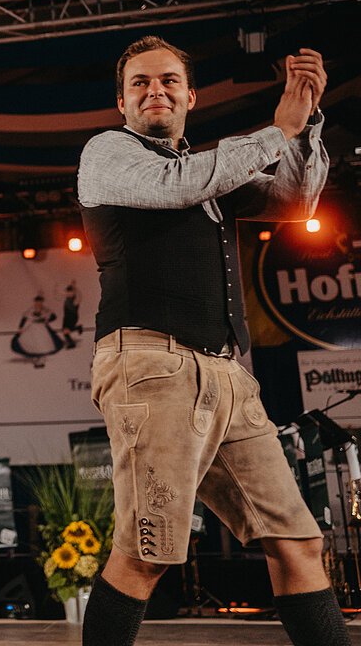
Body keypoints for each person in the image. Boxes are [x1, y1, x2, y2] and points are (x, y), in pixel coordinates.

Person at [77, 36, 344, 646]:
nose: (155, 91)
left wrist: (305, 123)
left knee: (297, 542)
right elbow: (177, 185)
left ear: (191, 97)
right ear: (121, 103)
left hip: (226, 374)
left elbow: (296, 199)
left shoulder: (207, 168)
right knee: (147, 554)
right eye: (140, 83)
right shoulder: (108, 152)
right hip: (153, 365)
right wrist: (277, 131)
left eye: (169, 80)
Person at [10, 294, 63, 367]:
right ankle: (35, 356)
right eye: (37, 302)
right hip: (33, 327)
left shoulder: (45, 310)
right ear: (34, 302)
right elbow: (24, 318)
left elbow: (54, 317)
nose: (38, 303)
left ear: (42, 302)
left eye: (40, 302)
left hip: (42, 327)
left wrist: (46, 320)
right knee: (32, 341)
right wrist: (20, 327)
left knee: (42, 342)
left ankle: (41, 359)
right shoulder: (31, 310)